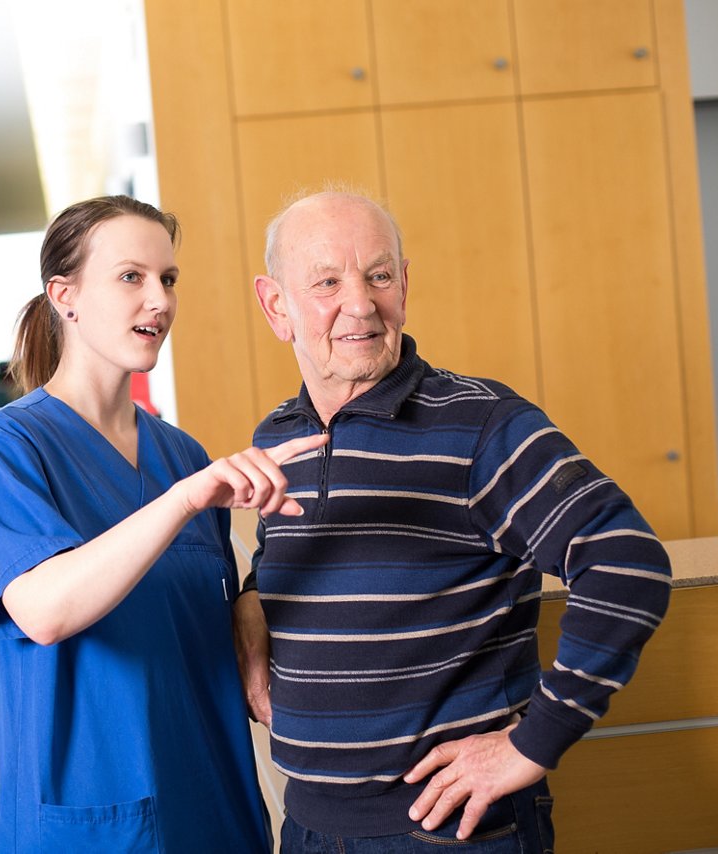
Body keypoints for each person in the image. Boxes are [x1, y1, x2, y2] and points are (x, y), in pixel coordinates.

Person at [234, 190, 672, 852]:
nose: (360, 303)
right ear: (276, 306)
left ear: (403, 285)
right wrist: (251, 601)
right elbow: (284, 560)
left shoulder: (481, 424)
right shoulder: (277, 436)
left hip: (454, 832)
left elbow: (625, 562)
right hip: (309, 830)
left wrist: (533, 743)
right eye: (327, 282)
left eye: (379, 275)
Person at [0, 195, 324, 853]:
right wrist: (181, 500)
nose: (160, 299)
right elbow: (44, 610)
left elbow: (206, 610)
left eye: (168, 279)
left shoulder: (181, 454)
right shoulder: (6, 447)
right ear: (65, 295)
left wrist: (253, 602)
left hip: (207, 794)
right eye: (132, 277)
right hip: (86, 811)